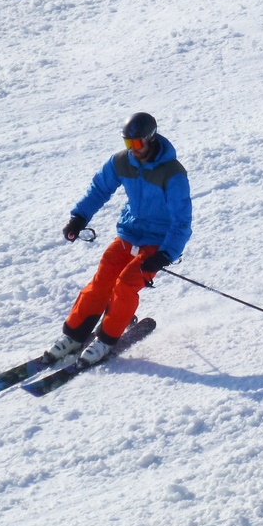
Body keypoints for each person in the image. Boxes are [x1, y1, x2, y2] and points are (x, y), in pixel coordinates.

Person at [44, 112, 192, 365]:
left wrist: (166, 254)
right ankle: (73, 336)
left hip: (156, 242)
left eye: (137, 144)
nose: (132, 150)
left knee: (126, 284)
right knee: (101, 281)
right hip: (129, 234)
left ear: (150, 139)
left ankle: (106, 339)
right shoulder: (121, 163)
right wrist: (79, 218)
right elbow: (99, 190)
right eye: (127, 144)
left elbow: (182, 222)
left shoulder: (173, 174)